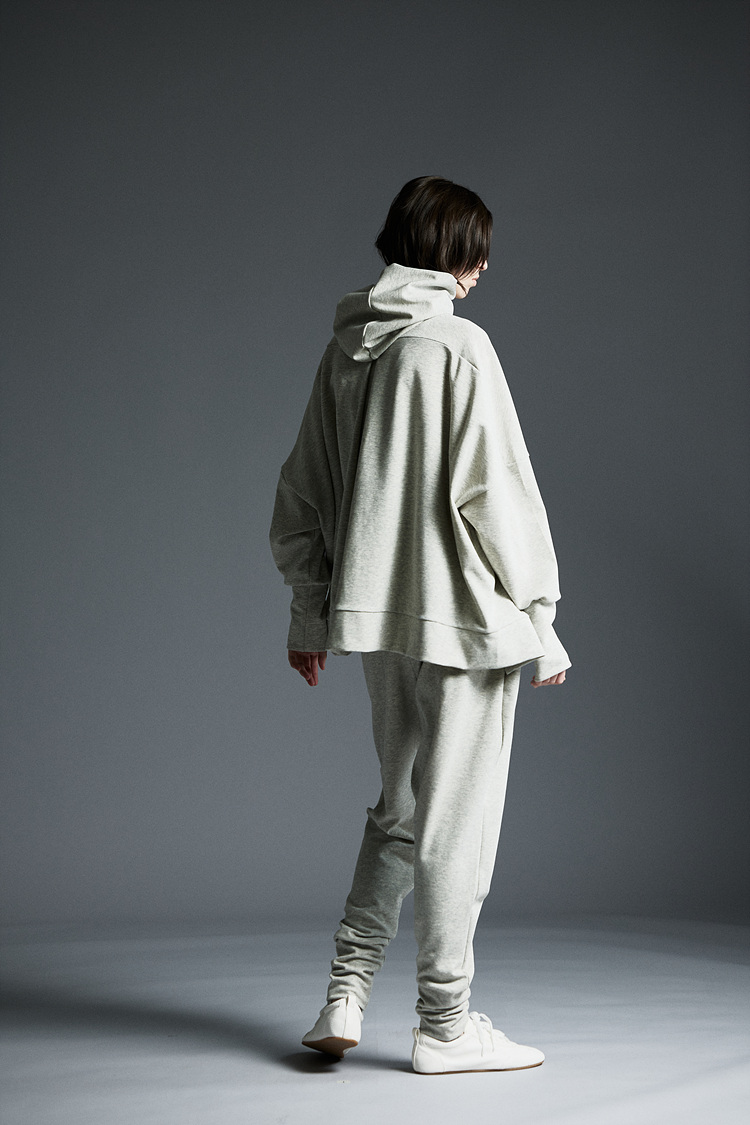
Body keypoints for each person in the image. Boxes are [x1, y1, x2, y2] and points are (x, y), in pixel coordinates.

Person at [269, 175, 570, 1075]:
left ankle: (346, 990)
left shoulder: (346, 352)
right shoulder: (458, 346)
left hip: (380, 627)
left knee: (399, 809)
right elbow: (498, 495)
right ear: (454, 251)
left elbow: (301, 498)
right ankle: (444, 1023)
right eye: (478, 251)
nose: (484, 268)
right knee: (456, 824)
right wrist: (541, 617)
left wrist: (310, 610)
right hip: (468, 624)